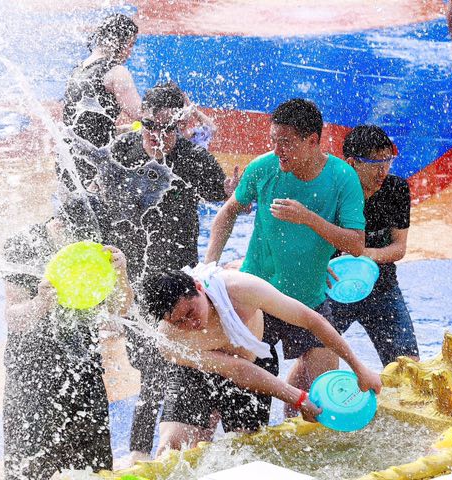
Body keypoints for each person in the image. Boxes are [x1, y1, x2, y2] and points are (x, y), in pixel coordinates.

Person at [93, 82, 240, 463]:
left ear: (182, 127)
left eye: (167, 130)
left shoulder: (194, 159)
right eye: (150, 128)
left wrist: (230, 190)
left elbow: (221, 197)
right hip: (133, 277)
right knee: (152, 368)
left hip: (178, 284)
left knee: (178, 363)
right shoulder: (121, 153)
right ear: (140, 122)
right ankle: (141, 454)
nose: (157, 138)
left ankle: (175, 446)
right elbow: (96, 201)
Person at [204, 98, 366, 415]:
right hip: (257, 302)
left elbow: (357, 245)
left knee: (325, 406)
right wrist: (209, 267)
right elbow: (227, 214)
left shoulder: (343, 178)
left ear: (313, 141)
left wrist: (310, 219)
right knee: (243, 404)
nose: (278, 150)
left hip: (309, 303)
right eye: (274, 140)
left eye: (287, 143)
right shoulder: (263, 168)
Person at [141, 265, 382, 453]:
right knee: (172, 448)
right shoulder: (169, 340)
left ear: (198, 286)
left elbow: (312, 320)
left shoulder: (240, 289)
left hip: (255, 364)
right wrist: (299, 398)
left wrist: (359, 369)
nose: (191, 325)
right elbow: (236, 370)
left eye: (191, 313)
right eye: (179, 322)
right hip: (197, 371)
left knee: (245, 449)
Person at [2, 192, 133, 480]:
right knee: (29, 470)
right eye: (80, 240)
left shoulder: (96, 247)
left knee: (96, 469)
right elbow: (13, 318)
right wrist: (40, 303)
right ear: (59, 226)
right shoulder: (25, 245)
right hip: (32, 373)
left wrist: (121, 274)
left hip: (83, 367)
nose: (85, 248)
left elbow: (119, 310)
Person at [328, 125, 420, 366]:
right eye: (374, 163)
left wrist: (363, 253)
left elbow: (399, 248)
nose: (383, 171)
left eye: (387, 161)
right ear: (351, 163)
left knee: (408, 366)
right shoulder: (332, 193)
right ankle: (294, 404)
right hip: (334, 288)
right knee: (316, 359)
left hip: (381, 288)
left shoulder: (396, 190)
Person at [60, 13, 143, 190]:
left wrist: (122, 130)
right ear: (119, 42)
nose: (130, 52)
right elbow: (143, 116)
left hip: (68, 164)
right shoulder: (116, 72)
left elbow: (85, 126)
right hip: (97, 169)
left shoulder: (77, 71)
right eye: (131, 45)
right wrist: (176, 111)